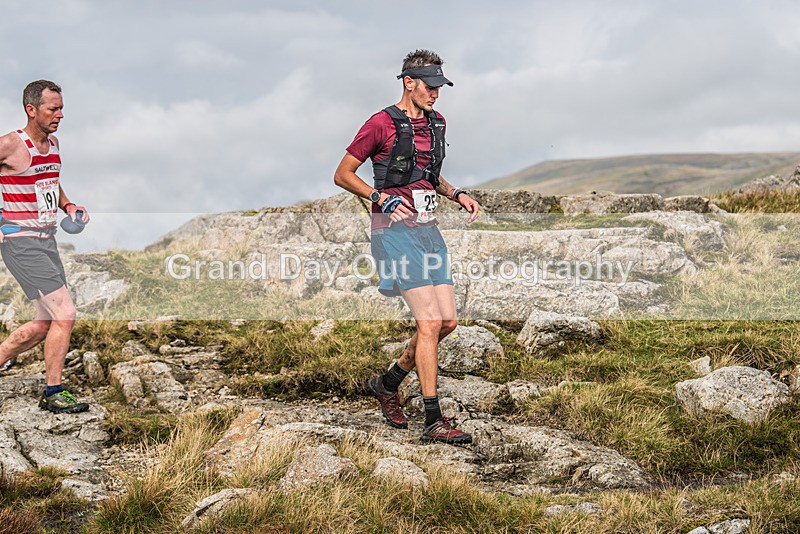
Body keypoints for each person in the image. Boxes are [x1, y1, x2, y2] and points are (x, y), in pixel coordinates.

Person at [334, 50, 480, 445]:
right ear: (408, 82)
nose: (435, 93)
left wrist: (457, 193)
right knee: (429, 323)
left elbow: (428, 176)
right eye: (429, 86)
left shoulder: (436, 122)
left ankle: (388, 383)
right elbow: (343, 174)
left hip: (428, 232)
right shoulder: (380, 123)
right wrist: (380, 198)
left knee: (447, 322)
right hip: (394, 234)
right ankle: (433, 420)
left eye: (439, 87)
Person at [0, 80, 90, 414]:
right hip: (21, 243)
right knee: (65, 314)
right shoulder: (9, 145)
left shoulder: (53, 144)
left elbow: (49, 179)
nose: (60, 115)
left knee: (44, 324)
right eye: (53, 109)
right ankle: (53, 393)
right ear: (31, 109)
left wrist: (68, 206)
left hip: (46, 240)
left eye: (62, 108)